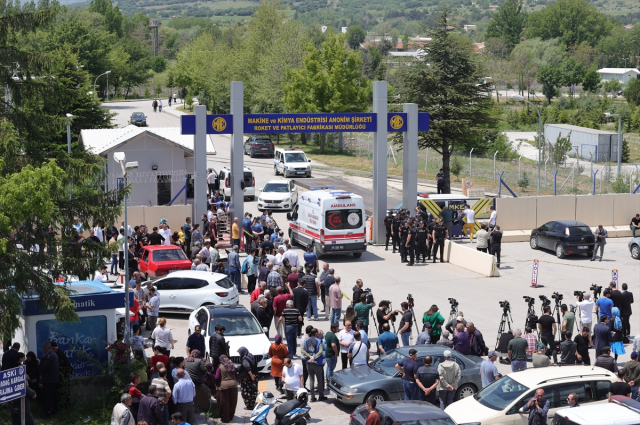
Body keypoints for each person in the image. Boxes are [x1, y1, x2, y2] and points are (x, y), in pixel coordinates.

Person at [302, 328, 326, 402]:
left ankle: (312, 397)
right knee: (319, 380)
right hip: (317, 363)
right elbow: (321, 351)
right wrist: (314, 357)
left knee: (311, 380)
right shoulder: (319, 341)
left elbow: (302, 350)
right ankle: (321, 395)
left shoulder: (305, 340)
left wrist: (309, 356)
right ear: (316, 333)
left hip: (309, 363)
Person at [215, 355, 239, 423]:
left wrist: (216, 384)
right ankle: (231, 416)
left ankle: (225, 418)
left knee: (224, 403)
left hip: (224, 387)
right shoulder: (232, 366)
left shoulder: (220, 367)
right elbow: (236, 376)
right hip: (234, 386)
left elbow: (217, 377)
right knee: (232, 402)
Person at [39, 342, 59, 418]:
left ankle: (47, 413)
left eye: (44, 349)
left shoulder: (49, 356)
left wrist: (43, 358)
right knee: (53, 395)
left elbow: (43, 366)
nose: (43, 350)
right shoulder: (55, 355)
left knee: (46, 397)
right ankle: (55, 410)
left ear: (46, 348)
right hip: (54, 379)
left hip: (49, 380)